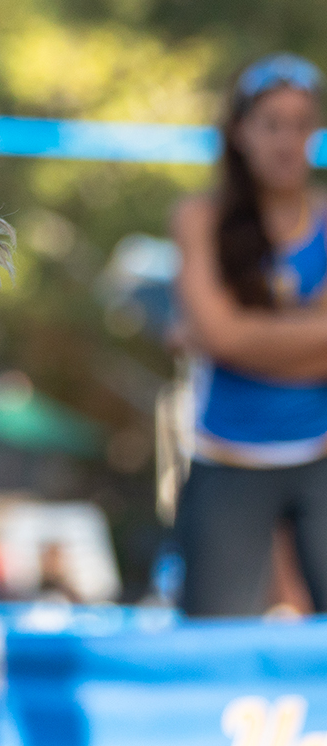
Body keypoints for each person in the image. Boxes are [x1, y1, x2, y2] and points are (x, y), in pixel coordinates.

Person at [173, 53, 327, 616]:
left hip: (318, 455)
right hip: (227, 461)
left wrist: (235, 337)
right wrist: (306, 340)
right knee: (212, 646)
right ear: (240, 132)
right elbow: (219, 337)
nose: (288, 142)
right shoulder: (199, 218)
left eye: (301, 125)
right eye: (272, 124)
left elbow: (223, 335)